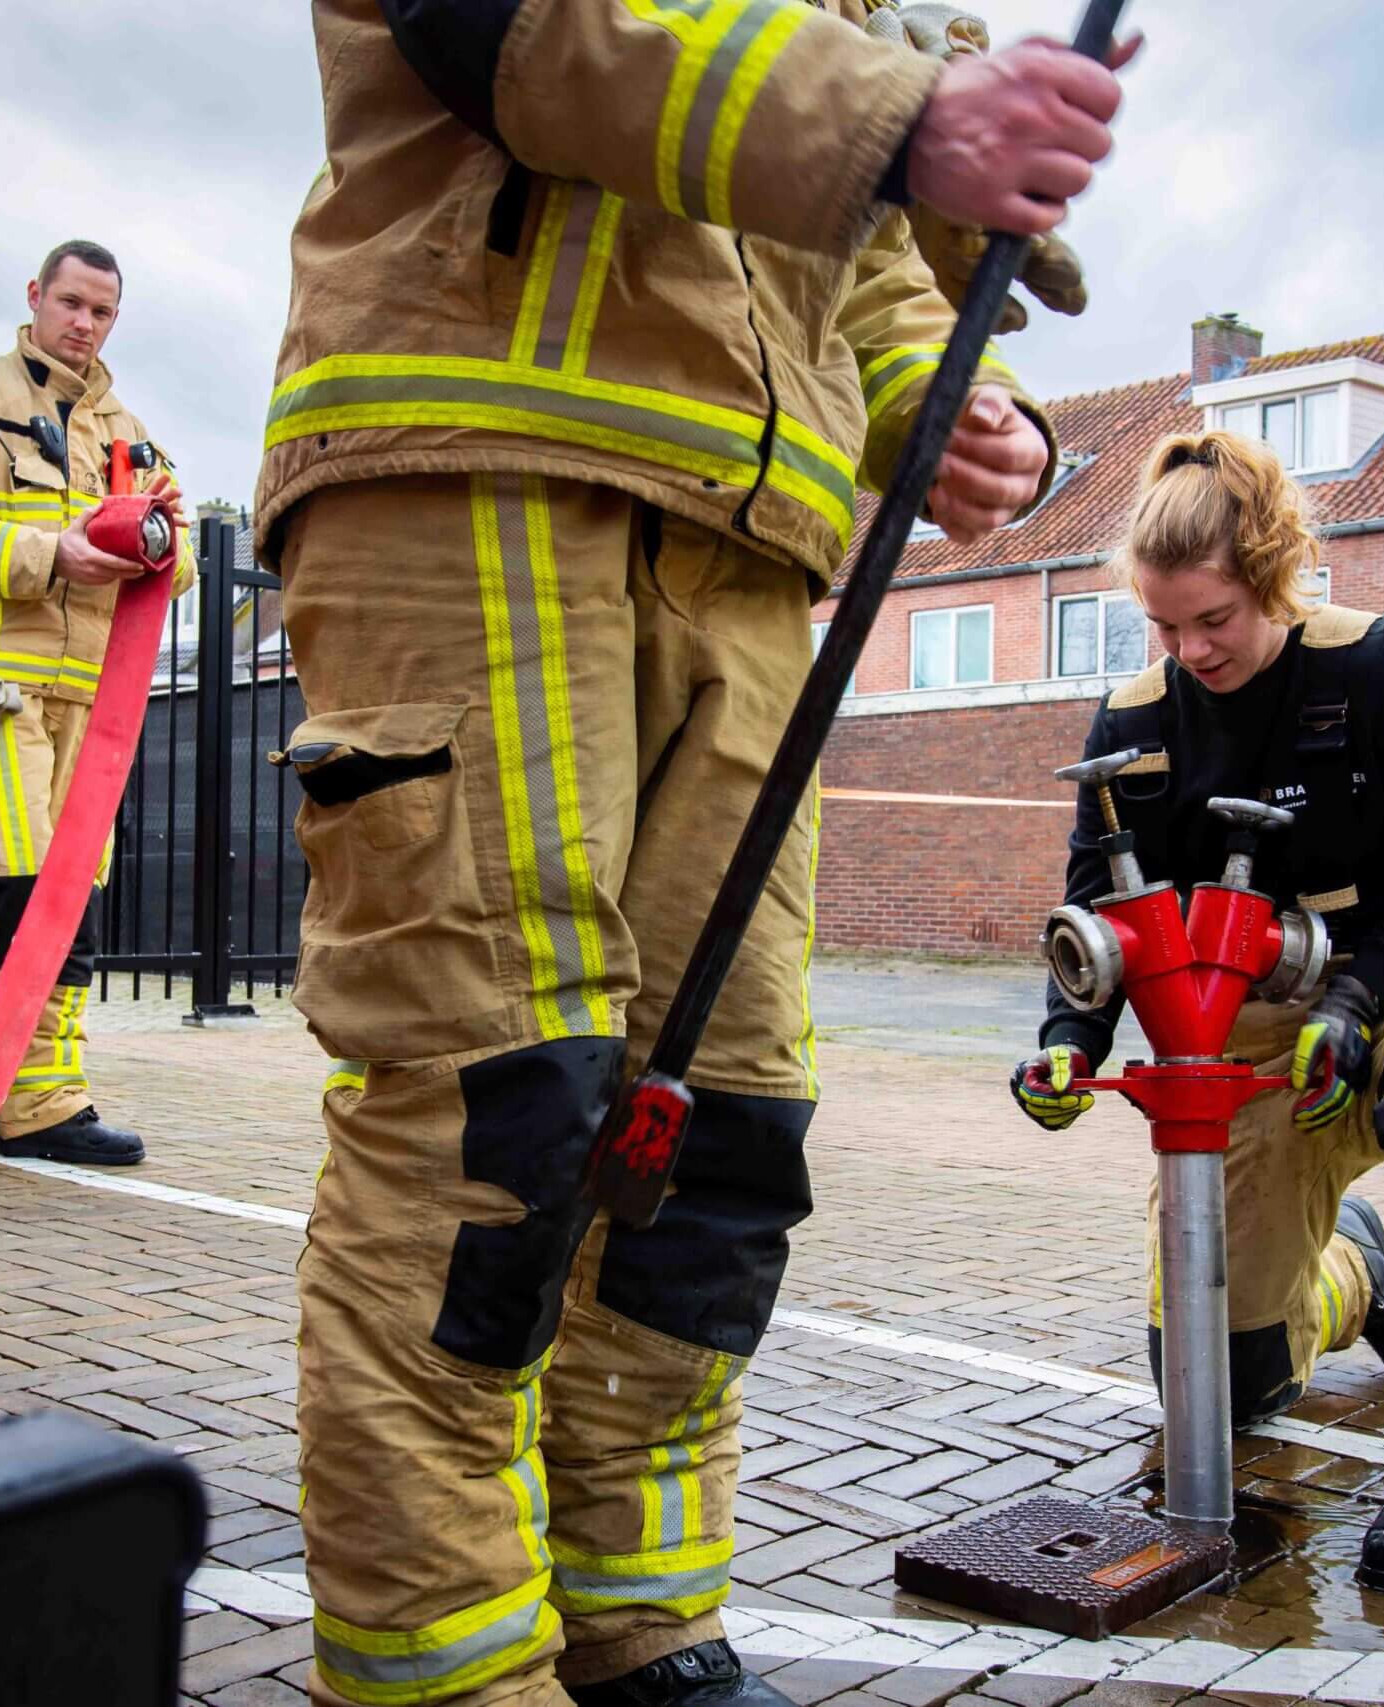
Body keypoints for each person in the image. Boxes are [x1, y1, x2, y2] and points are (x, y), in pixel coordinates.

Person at [255, 4, 1139, 1704]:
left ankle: (646, 1619)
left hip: (748, 552)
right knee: (493, 1112)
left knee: (717, 1131)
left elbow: (852, 267)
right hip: (481, 461)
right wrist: (897, 119)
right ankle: (440, 1673)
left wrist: (946, 403)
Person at [1010, 429, 1384, 1598]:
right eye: (1165, 628)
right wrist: (1068, 1045)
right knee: (1226, 1386)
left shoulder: (1381, 671)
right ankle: (1354, 1280)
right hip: (1247, 1040)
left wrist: (1363, 995)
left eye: (1213, 618)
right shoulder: (1133, 720)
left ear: (1272, 570)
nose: (1191, 650)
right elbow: (1096, 913)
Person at [0, 239, 193, 1167]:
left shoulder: (128, 435)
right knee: (6, 889)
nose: (84, 324)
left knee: (72, 899)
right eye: (70, 303)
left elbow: (182, 564)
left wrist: (160, 544)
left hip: (88, 710)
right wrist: (55, 551)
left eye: (101, 311)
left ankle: (43, 1102)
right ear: (35, 295)